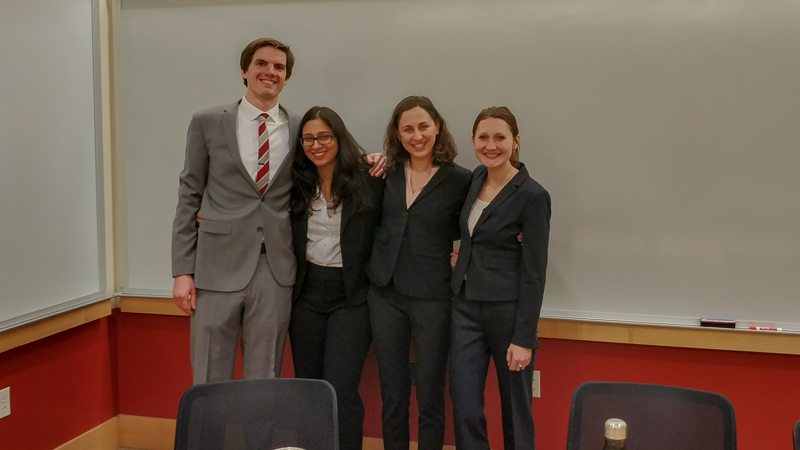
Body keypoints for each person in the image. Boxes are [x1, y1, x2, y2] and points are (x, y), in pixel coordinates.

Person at [171, 38, 385, 384]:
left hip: (277, 269)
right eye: (261, 64)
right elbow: (189, 194)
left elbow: (331, 156)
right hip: (216, 267)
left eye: (279, 67)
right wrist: (182, 270)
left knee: (264, 377)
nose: (270, 72)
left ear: (286, 78)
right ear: (245, 70)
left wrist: (370, 160)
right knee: (210, 377)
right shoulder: (208, 122)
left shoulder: (301, 128)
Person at [367, 96, 471, 450]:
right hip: (385, 294)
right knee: (392, 390)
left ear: (437, 126)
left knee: (430, 390)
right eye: (407, 129)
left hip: (433, 297)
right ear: (397, 134)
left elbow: (483, 220)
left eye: (423, 126)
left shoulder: (461, 180)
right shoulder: (386, 172)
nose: (417, 135)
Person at [449, 106, 551, 450]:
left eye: (500, 137)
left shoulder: (533, 196)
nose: (491, 145)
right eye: (483, 137)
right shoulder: (475, 177)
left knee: (515, 409)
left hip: (508, 314)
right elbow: (472, 236)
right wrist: (463, 259)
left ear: (516, 141)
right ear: (474, 141)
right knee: (464, 407)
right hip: (465, 308)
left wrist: (524, 337)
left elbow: (535, 272)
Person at [288, 106, 383, 450]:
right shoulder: (294, 183)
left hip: (351, 297)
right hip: (306, 295)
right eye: (309, 138)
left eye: (324, 136)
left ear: (339, 138)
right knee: (310, 389)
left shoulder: (369, 178)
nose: (316, 144)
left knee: (341, 388)